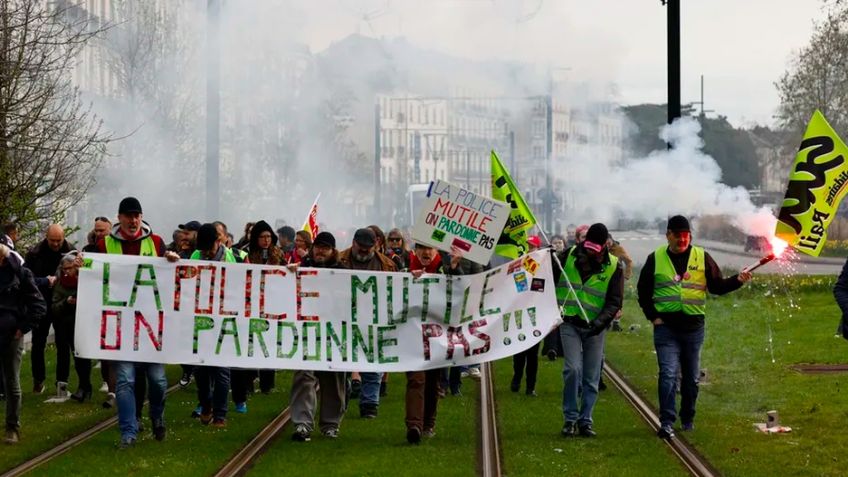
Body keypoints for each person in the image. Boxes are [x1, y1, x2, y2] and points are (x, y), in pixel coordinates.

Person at [637, 215, 752, 440]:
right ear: (668, 235)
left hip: (692, 329)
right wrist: (653, 317)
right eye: (677, 235)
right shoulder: (656, 258)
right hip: (666, 329)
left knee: (690, 378)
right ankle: (667, 421)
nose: (682, 240)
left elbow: (717, 286)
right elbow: (643, 291)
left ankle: (688, 417)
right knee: (668, 374)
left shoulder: (702, 257)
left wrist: (738, 280)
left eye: (686, 235)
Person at [93, 197, 179, 448]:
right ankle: (128, 432)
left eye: (137, 215)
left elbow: (168, 277)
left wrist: (171, 260)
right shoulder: (103, 244)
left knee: (158, 380)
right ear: (119, 218)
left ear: (141, 217)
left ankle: (156, 417)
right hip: (121, 326)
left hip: (151, 327)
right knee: (125, 379)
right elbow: (93, 278)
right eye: (128, 215)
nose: (133, 220)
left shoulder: (156, 243)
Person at [555, 223, 624, 438]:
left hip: (595, 327)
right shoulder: (567, 256)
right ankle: (570, 418)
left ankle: (585, 420)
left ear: (605, 245)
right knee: (573, 369)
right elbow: (546, 276)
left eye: (596, 248)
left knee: (591, 376)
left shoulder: (615, 266)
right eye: (588, 246)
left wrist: (599, 324)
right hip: (570, 322)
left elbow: (614, 302)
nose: (590, 251)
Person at [404, 243, 466, 444]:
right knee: (416, 379)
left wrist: (455, 268)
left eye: (430, 248)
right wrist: (407, 279)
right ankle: (414, 425)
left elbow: (461, 290)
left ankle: (428, 423)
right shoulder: (405, 268)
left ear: (437, 251)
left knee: (432, 382)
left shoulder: (445, 269)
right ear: (415, 250)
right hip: (412, 336)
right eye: (422, 247)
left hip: (437, 337)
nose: (426, 252)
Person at [290, 232, 347, 442]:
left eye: (325, 247)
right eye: (318, 247)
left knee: (333, 378)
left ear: (333, 251)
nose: (321, 251)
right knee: (304, 375)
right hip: (307, 330)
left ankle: (331, 424)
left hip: (333, 332)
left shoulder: (342, 272)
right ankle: (302, 423)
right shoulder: (302, 267)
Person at [338, 228, 397, 418]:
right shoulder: (339, 260)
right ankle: (343, 398)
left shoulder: (387, 265)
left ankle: (370, 404)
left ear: (376, 245)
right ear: (353, 242)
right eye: (360, 247)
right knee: (343, 361)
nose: (363, 251)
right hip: (344, 318)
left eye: (368, 248)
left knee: (373, 360)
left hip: (375, 319)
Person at [189, 224, 237, 428]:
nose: (207, 252)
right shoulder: (195, 256)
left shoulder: (229, 257)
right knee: (200, 370)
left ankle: (220, 414)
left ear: (219, 242)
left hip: (223, 320)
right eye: (204, 249)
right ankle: (206, 404)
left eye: (210, 248)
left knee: (221, 371)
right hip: (200, 321)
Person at [0, 243, 46, 444]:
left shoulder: (21, 273)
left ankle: (12, 426)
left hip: (11, 334)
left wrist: (23, 327)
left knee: (12, 379)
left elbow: (38, 305)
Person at [25, 224, 73, 395]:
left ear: (64, 237)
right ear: (46, 237)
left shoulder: (72, 252)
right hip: (41, 303)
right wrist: (45, 281)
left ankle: (62, 382)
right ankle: (38, 380)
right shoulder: (34, 253)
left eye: (59, 240)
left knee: (63, 343)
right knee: (38, 343)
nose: (55, 244)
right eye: (52, 240)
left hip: (62, 304)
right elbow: (26, 279)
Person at [246, 220, 285, 394]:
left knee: (269, 342)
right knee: (251, 342)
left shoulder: (278, 254)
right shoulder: (246, 253)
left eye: (269, 236)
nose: (266, 240)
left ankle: (267, 384)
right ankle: (248, 381)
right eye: (262, 237)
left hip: (272, 303)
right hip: (253, 303)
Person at [51, 251, 93, 402]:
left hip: (80, 324)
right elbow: (54, 307)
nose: (67, 271)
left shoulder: (85, 280)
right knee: (63, 355)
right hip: (63, 324)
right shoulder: (59, 283)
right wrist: (66, 302)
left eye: (70, 268)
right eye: (65, 269)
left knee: (81, 357)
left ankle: (85, 387)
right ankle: (62, 386)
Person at [511, 235, 543, 396]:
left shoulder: (543, 264)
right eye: (528, 246)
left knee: (533, 354)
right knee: (518, 350)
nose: (530, 249)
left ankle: (530, 386)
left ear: (538, 248)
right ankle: (517, 377)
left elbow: (542, 287)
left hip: (535, 314)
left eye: (532, 246)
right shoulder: (519, 263)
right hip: (519, 311)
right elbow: (516, 285)